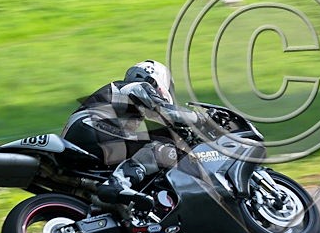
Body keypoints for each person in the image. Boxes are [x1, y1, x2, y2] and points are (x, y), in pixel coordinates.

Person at [62, 60, 209, 209]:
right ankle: (117, 183)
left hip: (84, 132)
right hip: (90, 127)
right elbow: (167, 111)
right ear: (156, 80)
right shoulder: (139, 87)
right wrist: (203, 118)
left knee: (154, 140)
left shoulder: (124, 97)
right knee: (164, 147)